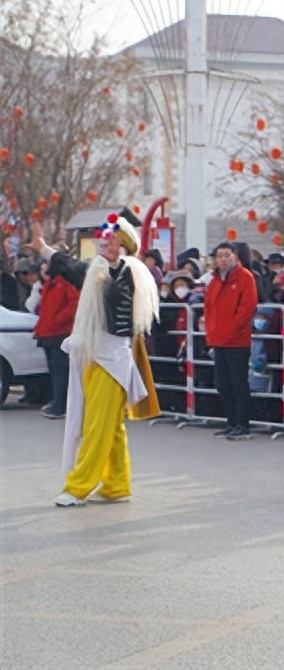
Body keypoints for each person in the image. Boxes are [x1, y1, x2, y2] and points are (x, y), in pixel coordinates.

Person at [31, 214, 160, 507]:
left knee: (96, 426)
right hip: (98, 355)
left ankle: (78, 487)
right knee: (110, 427)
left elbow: (108, 295)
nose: (104, 242)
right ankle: (117, 484)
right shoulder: (103, 269)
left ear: (123, 245)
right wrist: (46, 249)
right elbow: (78, 270)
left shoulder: (126, 271)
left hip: (112, 358)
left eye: (111, 238)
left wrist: (98, 272)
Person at [203, 241, 260, 440]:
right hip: (218, 339)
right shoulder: (214, 280)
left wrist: (232, 328)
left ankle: (243, 424)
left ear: (235, 256)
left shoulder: (245, 277)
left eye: (227, 255)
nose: (223, 259)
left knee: (238, 383)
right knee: (222, 383)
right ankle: (231, 422)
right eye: (220, 256)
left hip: (237, 341)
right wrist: (211, 331)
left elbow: (247, 307)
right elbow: (208, 307)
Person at [32, 252, 80, 419]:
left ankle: (60, 406)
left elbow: (74, 303)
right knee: (56, 371)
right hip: (50, 331)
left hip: (57, 332)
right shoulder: (54, 282)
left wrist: (58, 319)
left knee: (59, 372)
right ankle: (59, 403)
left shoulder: (63, 283)